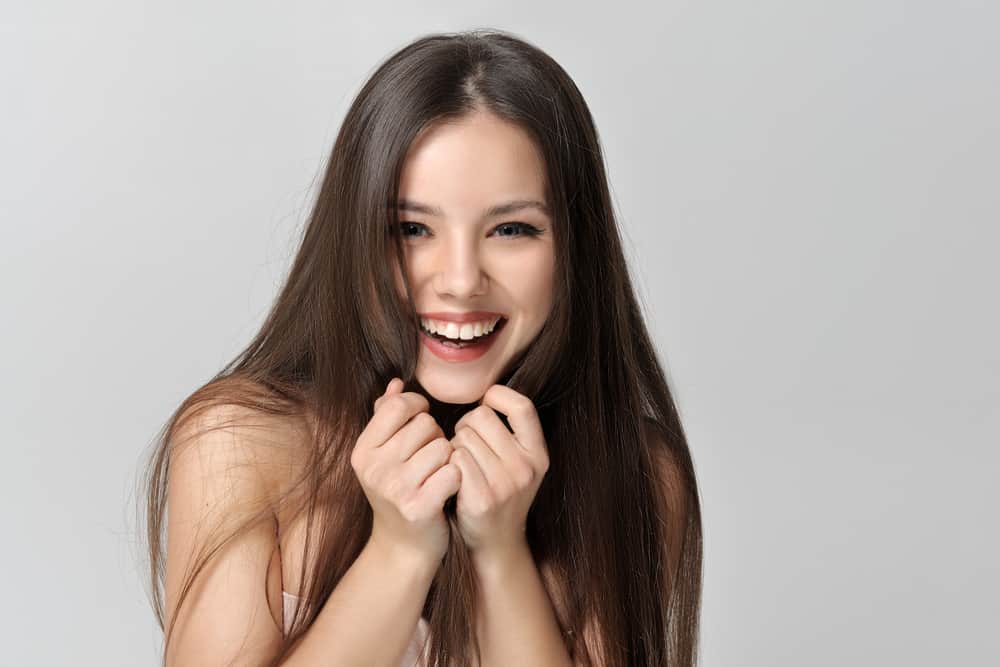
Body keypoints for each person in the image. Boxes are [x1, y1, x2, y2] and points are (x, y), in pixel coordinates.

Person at [138, 28, 703, 667]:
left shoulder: (635, 470)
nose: (460, 280)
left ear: (575, 248)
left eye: (511, 229)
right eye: (412, 228)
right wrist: (399, 552)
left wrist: (501, 554)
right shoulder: (240, 440)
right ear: (354, 237)